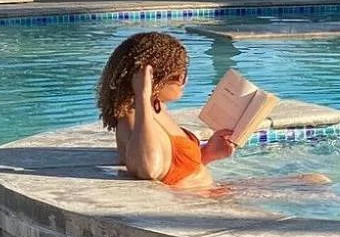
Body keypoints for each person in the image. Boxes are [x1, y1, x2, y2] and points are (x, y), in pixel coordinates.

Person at [97, 32, 236, 190]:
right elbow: (148, 169)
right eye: (178, 75)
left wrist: (209, 153)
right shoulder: (133, 119)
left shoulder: (155, 111)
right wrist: (143, 95)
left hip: (209, 196)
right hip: (196, 203)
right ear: (153, 80)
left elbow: (174, 166)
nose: (183, 81)